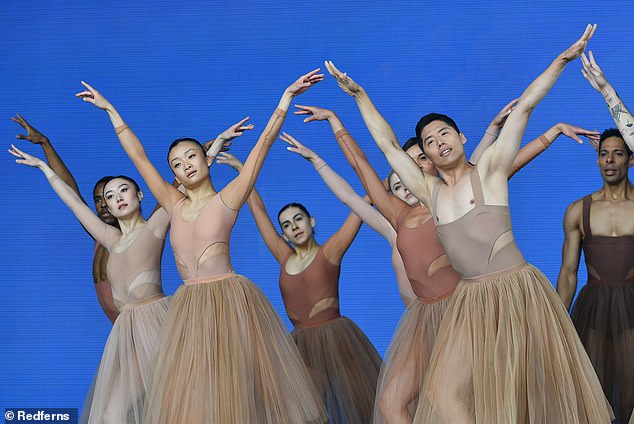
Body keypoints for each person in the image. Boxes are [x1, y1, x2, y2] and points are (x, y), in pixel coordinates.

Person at [327, 24, 612, 423]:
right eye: (429, 140)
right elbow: (388, 145)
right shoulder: (430, 192)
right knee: (443, 394)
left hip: (515, 293)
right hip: (471, 302)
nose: (439, 141)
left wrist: (563, 60)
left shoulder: (492, 170)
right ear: (424, 154)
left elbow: (526, 105)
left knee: (522, 398)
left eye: (445, 132)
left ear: (461, 137)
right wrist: (359, 97)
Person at [75, 70, 328, 423]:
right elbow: (139, 158)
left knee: (244, 393)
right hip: (189, 307)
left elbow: (263, 145)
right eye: (176, 164)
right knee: (193, 404)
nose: (185, 165)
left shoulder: (229, 197)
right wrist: (110, 110)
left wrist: (285, 98)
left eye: (191, 156)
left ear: (205, 158)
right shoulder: (172, 204)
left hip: (229, 299)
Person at [218, 147, 382, 424]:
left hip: (339, 341)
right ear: (283, 233)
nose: (294, 227)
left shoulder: (330, 251)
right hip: (301, 347)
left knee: (366, 406)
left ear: (311, 221)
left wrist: (386, 183)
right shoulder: (283, 257)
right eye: (286, 225)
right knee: (304, 415)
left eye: (298, 219)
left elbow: (361, 207)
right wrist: (240, 169)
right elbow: (258, 213)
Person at [10, 143, 171, 423]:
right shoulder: (108, 239)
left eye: (123, 190)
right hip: (127, 332)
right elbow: (73, 202)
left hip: (157, 325)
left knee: (173, 405)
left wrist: (209, 151)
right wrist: (43, 167)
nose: (116, 198)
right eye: (109, 196)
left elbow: (176, 189)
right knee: (113, 413)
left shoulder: (154, 226)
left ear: (140, 194)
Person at [558, 83, 634, 424]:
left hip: (633, 306)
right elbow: (568, 274)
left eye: (618, 153)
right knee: (594, 391)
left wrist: (604, 87)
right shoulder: (578, 210)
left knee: (631, 391)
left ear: (630, 159)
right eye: (604, 153)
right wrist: (556, 321)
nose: (609, 160)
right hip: (592, 308)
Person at [11, 114, 120, 323]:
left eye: (110, 196)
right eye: (98, 199)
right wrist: (45, 143)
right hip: (120, 328)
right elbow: (72, 192)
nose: (104, 204)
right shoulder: (99, 234)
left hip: (140, 324)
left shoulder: (131, 234)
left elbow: (166, 203)